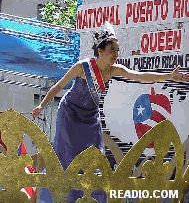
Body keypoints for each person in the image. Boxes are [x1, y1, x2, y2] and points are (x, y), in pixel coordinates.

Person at [32, 21, 189, 202]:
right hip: (70, 114)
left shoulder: (113, 70)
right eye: (112, 49)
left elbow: (139, 76)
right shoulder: (82, 67)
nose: (116, 54)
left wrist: (169, 76)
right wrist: (41, 105)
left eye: (117, 50)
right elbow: (59, 86)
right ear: (100, 50)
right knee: (67, 158)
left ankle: (93, 198)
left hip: (90, 118)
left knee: (94, 160)